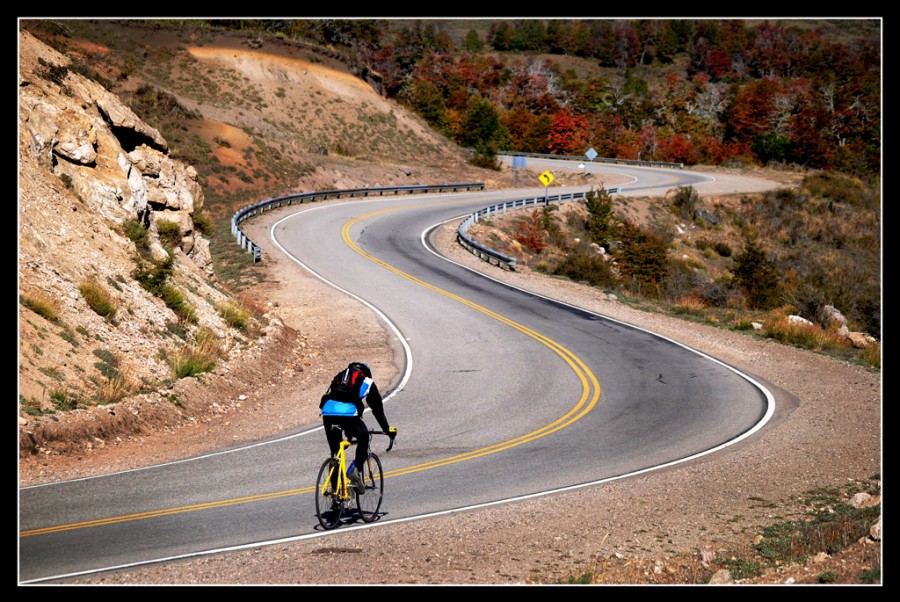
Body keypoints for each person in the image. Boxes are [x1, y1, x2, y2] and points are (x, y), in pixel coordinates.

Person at [319, 361, 394, 493]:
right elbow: (377, 410)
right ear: (366, 373)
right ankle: (355, 469)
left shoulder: (340, 377)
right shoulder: (367, 381)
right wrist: (387, 430)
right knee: (364, 436)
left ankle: (336, 495)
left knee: (336, 453)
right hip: (348, 414)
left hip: (327, 412)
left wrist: (348, 434)